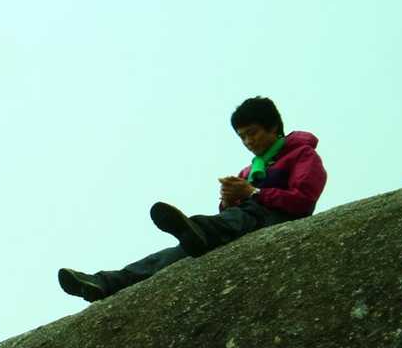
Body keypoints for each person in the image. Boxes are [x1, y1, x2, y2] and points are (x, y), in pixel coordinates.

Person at [58, 96, 327, 302]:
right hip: (239, 222)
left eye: (253, 132)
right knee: (170, 256)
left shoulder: (302, 155)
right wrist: (228, 201)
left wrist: (253, 194)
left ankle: (197, 230)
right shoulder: (249, 171)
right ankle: (104, 283)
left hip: (274, 220)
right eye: (242, 136)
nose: (248, 141)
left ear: (273, 127)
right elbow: (233, 211)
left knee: (222, 224)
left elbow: (303, 201)